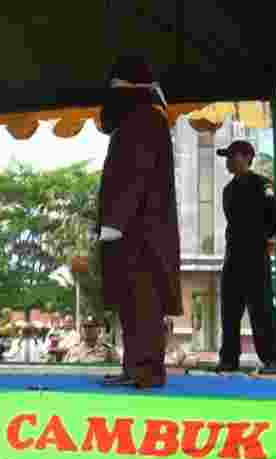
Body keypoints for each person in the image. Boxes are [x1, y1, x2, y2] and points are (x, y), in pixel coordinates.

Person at [97, 56, 182, 389]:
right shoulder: (140, 118)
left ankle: (147, 371)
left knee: (143, 302)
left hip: (141, 232)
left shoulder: (145, 118)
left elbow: (135, 174)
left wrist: (115, 221)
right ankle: (134, 367)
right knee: (131, 302)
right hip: (135, 229)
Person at [215, 140, 276, 374]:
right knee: (229, 310)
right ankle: (229, 359)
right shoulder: (228, 190)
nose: (227, 161)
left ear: (246, 157)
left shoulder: (262, 184)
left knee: (262, 310)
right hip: (233, 256)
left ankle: (272, 360)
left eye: (231, 156)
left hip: (256, 256)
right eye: (226, 157)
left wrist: (265, 236)